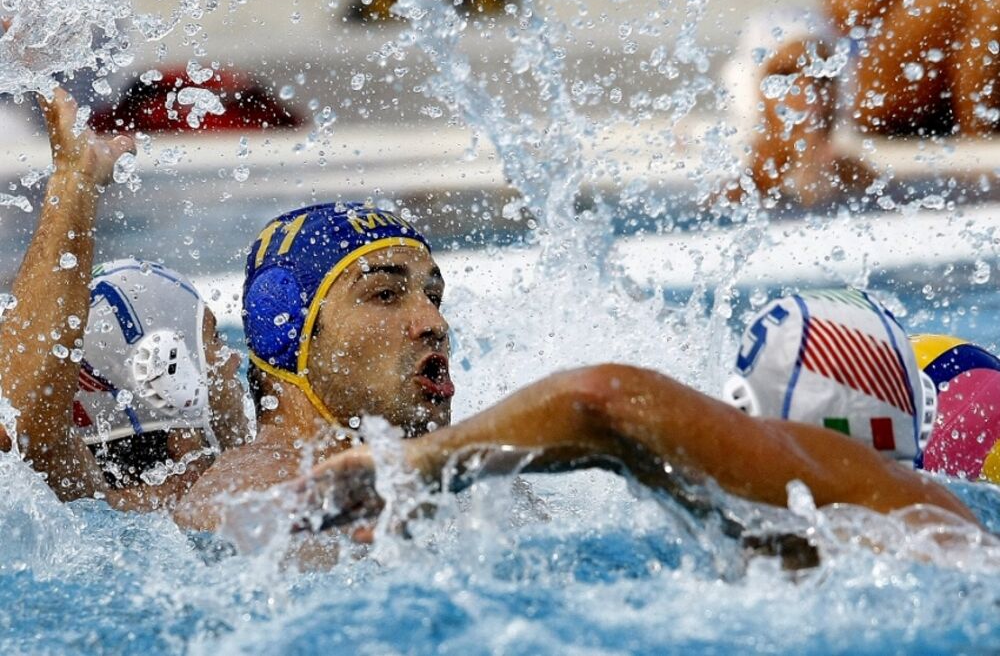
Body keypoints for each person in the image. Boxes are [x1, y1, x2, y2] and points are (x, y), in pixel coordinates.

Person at [174, 203, 974, 535]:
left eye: (434, 294)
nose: (434, 321)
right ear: (286, 336)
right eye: (387, 295)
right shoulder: (242, 486)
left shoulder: (493, 478)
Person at [0, 85, 249, 510]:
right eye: (212, 342)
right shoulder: (154, 511)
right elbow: (26, 427)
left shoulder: (82, 513)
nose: (233, 361)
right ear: (170, 376)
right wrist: (73, 180)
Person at [734, 0, 1000, 204]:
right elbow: (852, 9)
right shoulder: (733, 195)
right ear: (753, 90)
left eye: (823, 77)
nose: (808, 92)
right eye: (783, 77)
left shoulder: (862, 181)